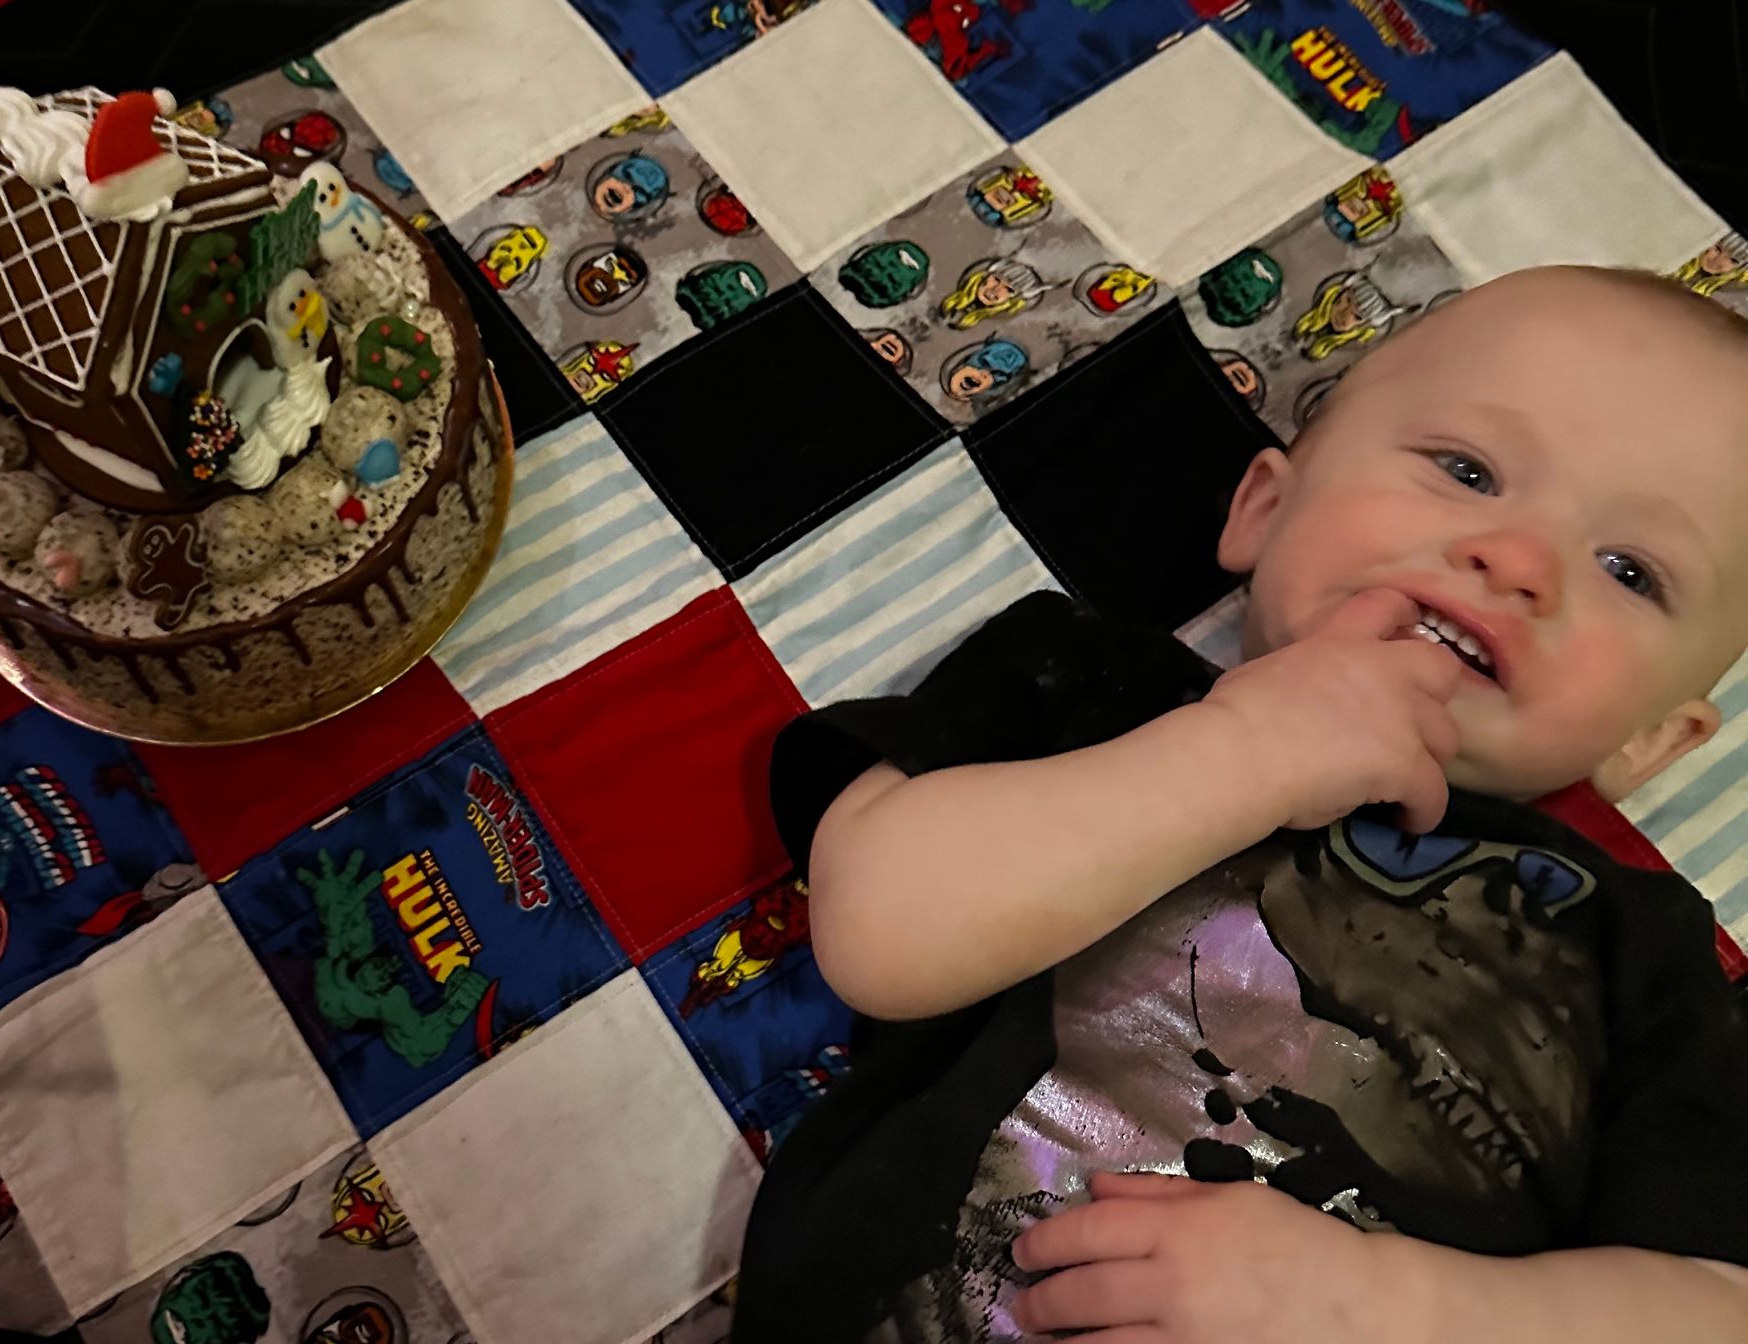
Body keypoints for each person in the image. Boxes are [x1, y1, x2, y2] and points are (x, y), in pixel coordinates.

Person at [732, 265, 1748, 1343]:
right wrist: (1244, 748)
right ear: (1262, 509)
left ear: (1649, 741)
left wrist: (1394, 1309)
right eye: (1465, 469)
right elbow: (880, 932)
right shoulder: (1083, 685)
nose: (1517, 561)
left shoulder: (1630, 942)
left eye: (1628, 570)